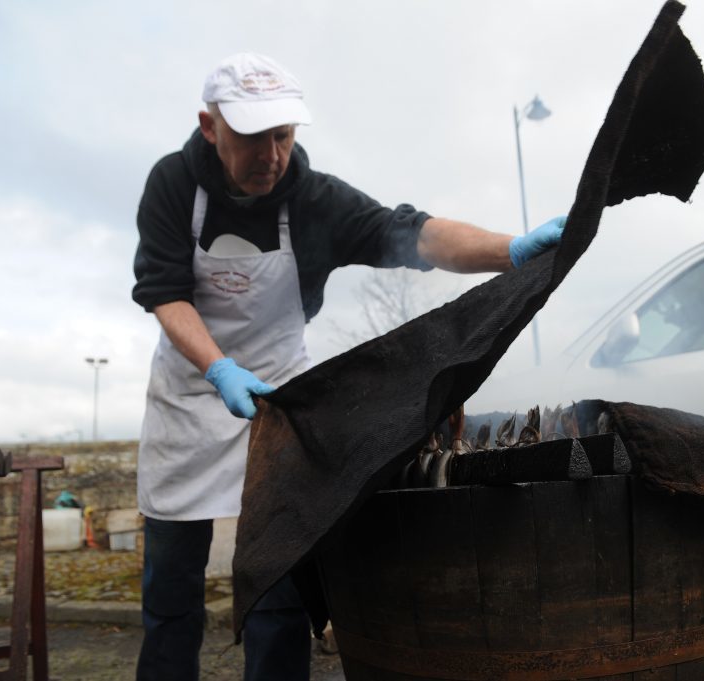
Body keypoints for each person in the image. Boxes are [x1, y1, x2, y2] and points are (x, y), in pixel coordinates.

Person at [131, 52, 565, 681]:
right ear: (210, 127)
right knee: (171, 594)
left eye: (283, 137)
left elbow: (413, 235)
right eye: (253, 138)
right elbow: (166, 292)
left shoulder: (313, 199)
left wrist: (510, 249)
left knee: (280, 587)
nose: (271, 156)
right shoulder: (173, 184)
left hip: (278, 403)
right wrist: (220, 368)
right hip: (188, 400)